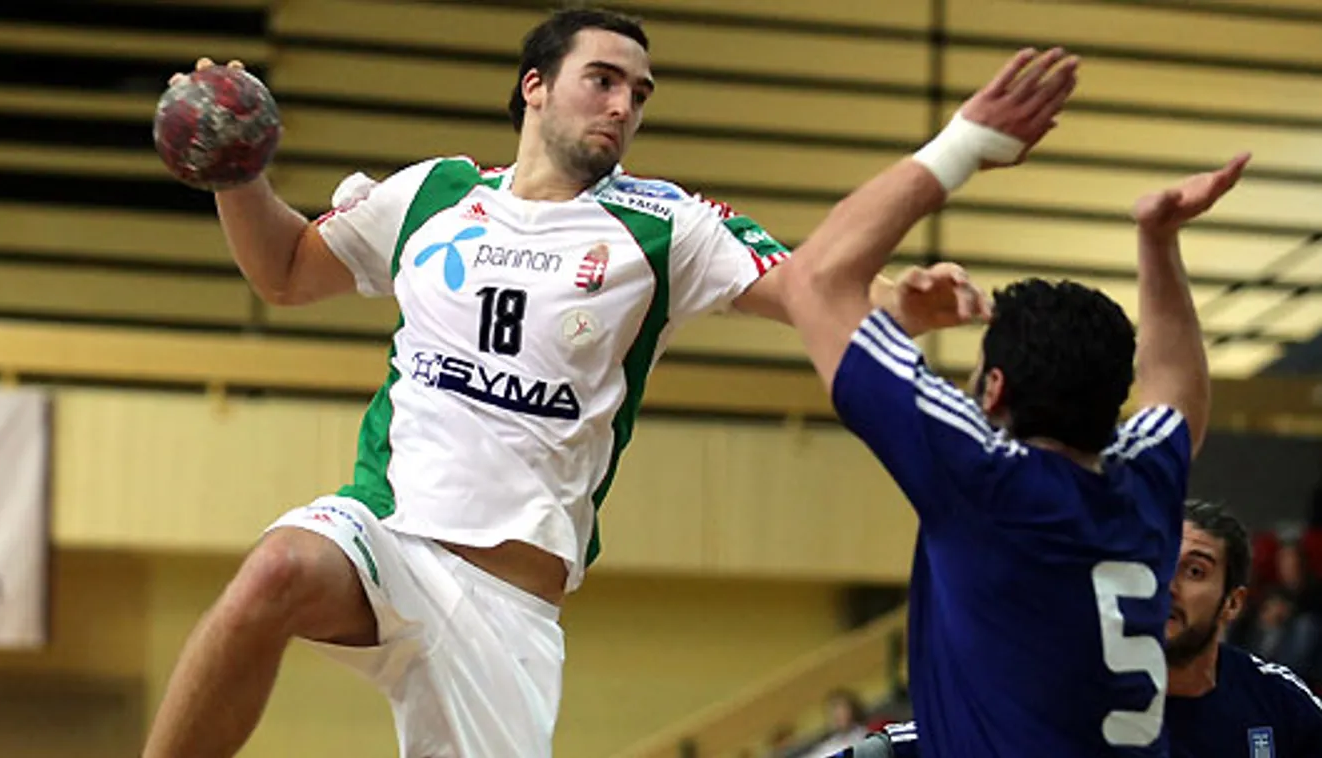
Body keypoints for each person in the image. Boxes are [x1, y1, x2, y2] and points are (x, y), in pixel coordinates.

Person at [142, 7, 1075, 757]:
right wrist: (237, 175)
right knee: (273, 572)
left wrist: (900, 301)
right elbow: (285, 272)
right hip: (389, 533)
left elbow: (806, 286)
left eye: (638, 92)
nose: (623, 105)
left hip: (506, 608)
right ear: (535, 87)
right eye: (602, 79)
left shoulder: (665, 226)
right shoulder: (433, 195)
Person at [777, 46, 1254, 753]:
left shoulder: (983, 477)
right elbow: (1178, 392)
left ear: (995, 389)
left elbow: (812, 280)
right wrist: (1158, 241)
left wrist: (964, 145)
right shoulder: (1141, 482)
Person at [838, 500, 1322, 757]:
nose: (1166, 587)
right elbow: (923, 742)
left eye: (1194, 571)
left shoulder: (1275, 700)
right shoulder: (1070, 687)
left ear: (1233, 603)